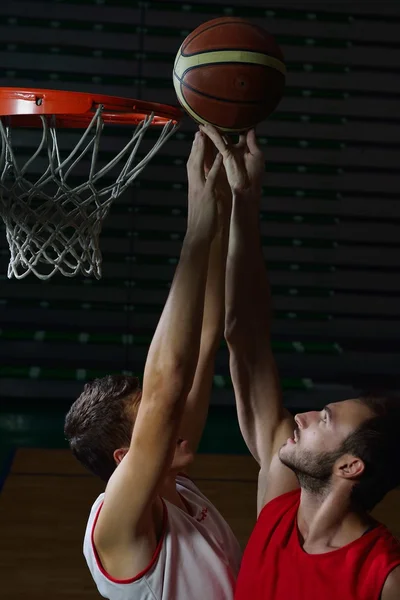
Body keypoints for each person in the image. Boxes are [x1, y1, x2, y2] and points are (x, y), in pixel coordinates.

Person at [200, 123, 400, 600]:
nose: (304, 416)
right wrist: (244, 202)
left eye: (324, 419)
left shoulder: (384, 576)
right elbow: (243, 337)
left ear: (350, 466)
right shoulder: (282, 504)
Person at [64, 130, 242, 600]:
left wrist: (221, 206)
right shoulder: (115, 525)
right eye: (151, 420)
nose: (174, 412)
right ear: (124, 459)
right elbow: (166, 387)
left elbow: (205, 342)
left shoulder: (177, 483)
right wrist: (195, 231)